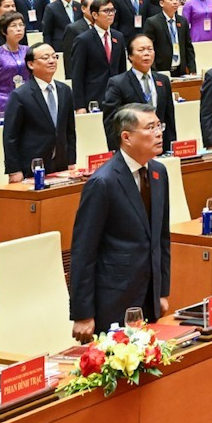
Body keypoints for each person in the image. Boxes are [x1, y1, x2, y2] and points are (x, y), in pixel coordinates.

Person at [69, 104, 170, 338]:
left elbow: (162, 237)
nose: (158, 133)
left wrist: (162, 291)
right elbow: (84, 251)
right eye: (150, 127)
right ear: (126, 137)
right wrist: (83, 313)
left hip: (149, 295)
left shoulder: (159, 173)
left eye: (159, 126)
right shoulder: (103, 182)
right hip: (113, 299)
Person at [1, 42, 75, 178]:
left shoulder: (65, 90)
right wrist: (14, 170)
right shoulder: (20, 95)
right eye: (45, 57)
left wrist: (71, 160)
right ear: (31, 64)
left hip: (61, 163)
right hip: (32, 164)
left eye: (54, 56)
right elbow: (10, 136)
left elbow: (70, 130)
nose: (52, 61)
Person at [68, 0, 125, 112]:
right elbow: (77, 75)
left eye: (112, 10)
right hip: (93, 97)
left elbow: (122, 69)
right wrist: (79, 106)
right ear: (95, 15)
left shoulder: (118, 37)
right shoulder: (83, 40)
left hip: (116, 96)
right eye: (106, 11)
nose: (111, 14)